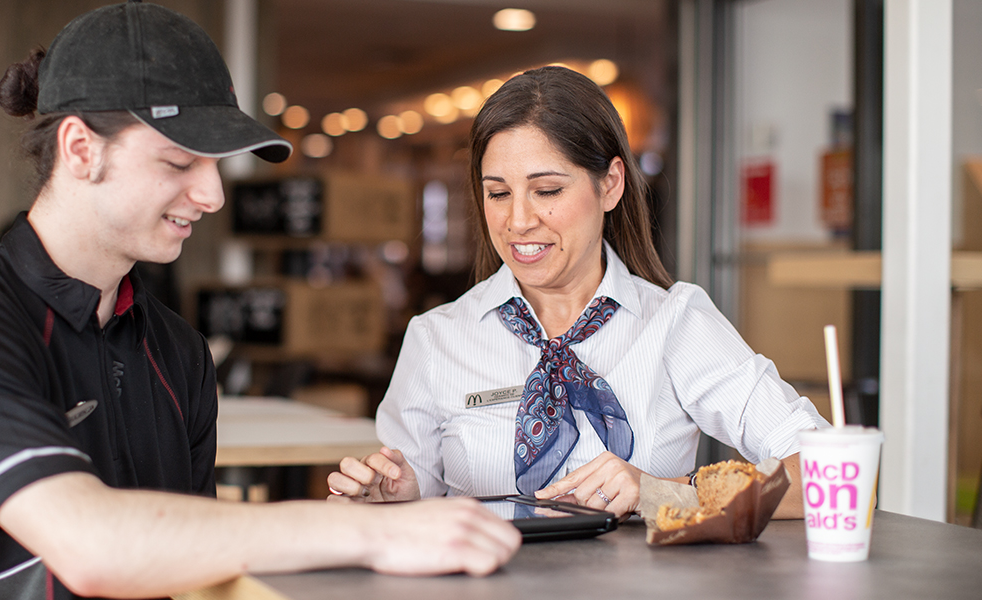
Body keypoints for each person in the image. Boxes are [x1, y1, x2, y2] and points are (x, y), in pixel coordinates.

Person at [0, 3, 519, 599]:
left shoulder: (176, 350)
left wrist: (350, 524)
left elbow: (189, 555)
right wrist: (368, 537)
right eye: (181, 161)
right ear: (80, 150)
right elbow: (93, 546)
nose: (212, 194)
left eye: (217, 164)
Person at [328, 66, 827, 520]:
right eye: (497, 193)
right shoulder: (437, 338)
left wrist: (662, 492)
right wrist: (392, 495)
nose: (518, 221)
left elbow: (827, 473)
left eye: (547, 191)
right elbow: (413, 483)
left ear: (610, 185)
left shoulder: (675, 323)